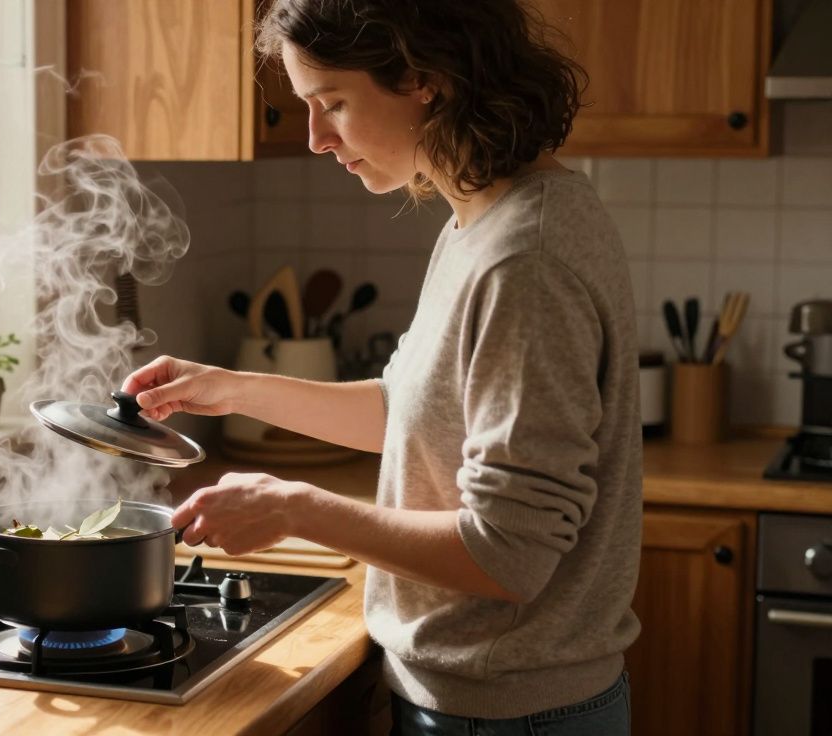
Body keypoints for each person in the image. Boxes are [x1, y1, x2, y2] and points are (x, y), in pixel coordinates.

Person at [121, 1, 641, 733]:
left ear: (425, 78)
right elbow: (410, 414)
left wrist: (293, 507)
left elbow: (509, 555)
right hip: (475, 698)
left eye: (331, 103)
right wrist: (230, 387)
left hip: (510, 712)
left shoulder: (524, 260)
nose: (315, 137)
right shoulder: (484, 219)